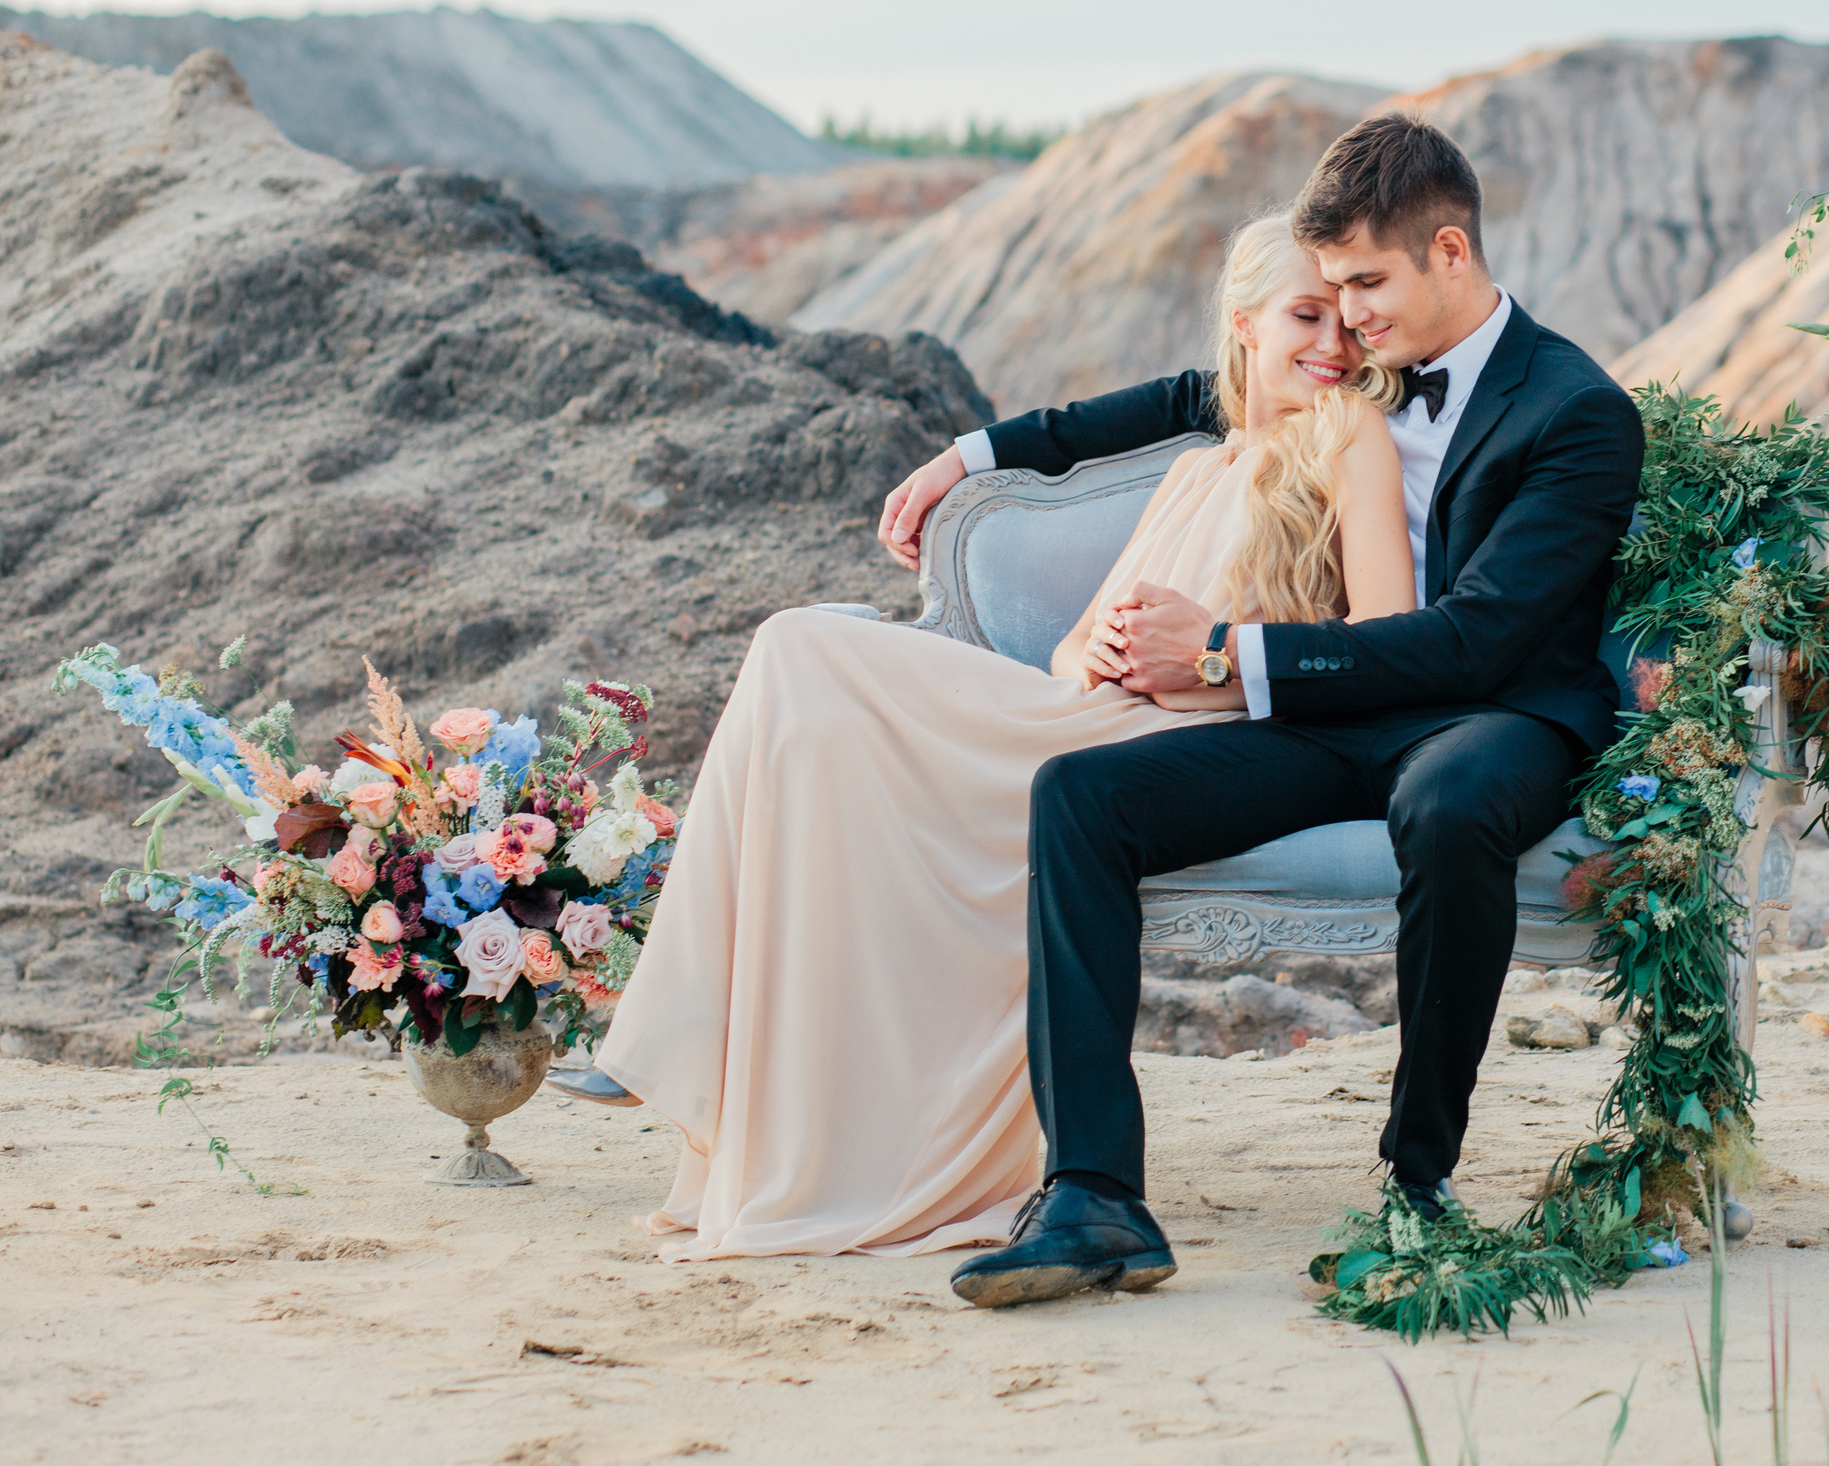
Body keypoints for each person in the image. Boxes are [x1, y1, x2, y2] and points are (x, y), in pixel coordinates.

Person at [876, 114, 1645, 1309]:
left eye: (1367, 284)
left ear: (1450, 253)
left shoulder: (1578, 411)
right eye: (1329, 291)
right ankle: (1093, 1196)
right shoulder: (1357, 363)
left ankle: (1417, 1183)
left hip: (1493, 714)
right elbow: (1181, 393)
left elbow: (1484, 638)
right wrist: (970, 456)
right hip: (1328, 717)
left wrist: (1231, 654)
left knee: (1447, 805)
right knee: (1079, 796)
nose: (1347, 318)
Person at [546, 215, 1415, 1266]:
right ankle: (700, 1048)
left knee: (808, 660)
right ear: (1246, 325)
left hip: (1173, 739)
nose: (1331, 345)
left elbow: (1382, 647)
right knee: (797, 662)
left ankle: (670, 1034)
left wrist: (1216, 655)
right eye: (1303, 316)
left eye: (1347, 324)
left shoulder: (1349, 441)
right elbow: (1065, 664)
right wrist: (1090, 643)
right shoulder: (1198, 470)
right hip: (1082, 708)